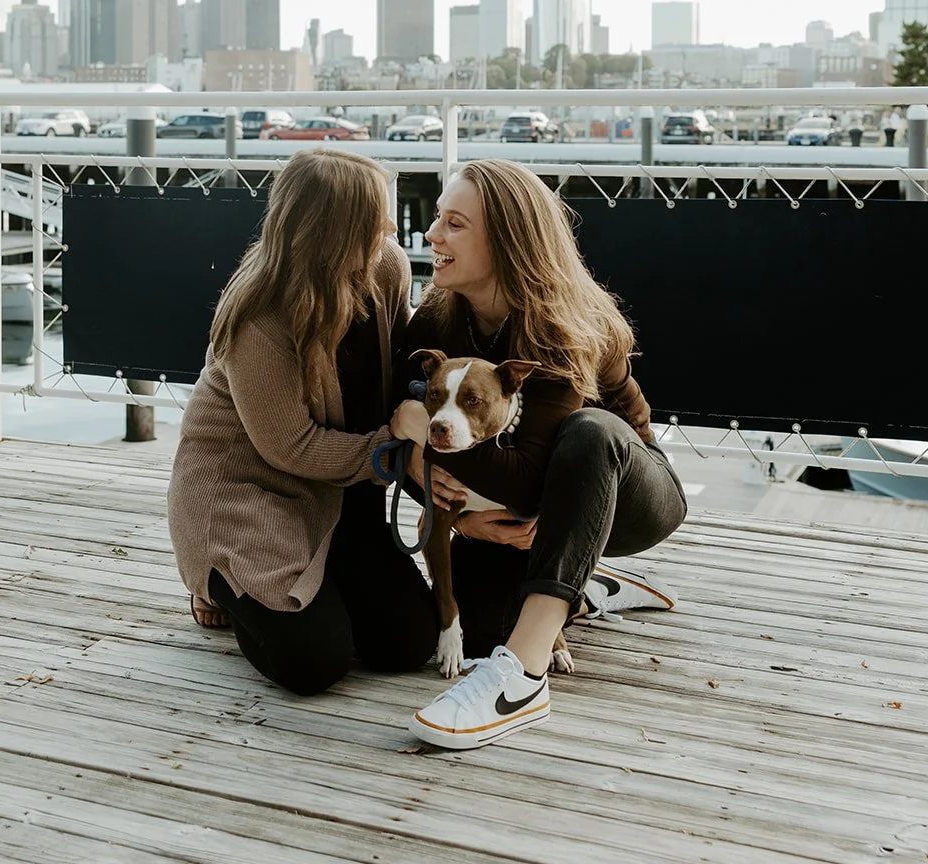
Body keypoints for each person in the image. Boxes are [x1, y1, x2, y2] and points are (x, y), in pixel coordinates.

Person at [396, 159, 687, 749]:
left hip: (626, 492)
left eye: (454, 224)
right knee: (475, 623)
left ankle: (521, 681)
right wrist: (422, 471)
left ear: (503, 242)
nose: (432, 237)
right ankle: (587, 584)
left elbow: (530, 483)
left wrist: (420, 435)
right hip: (517, 519)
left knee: (589, 430)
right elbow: (417, 453)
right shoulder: (436, 319)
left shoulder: (560, 328)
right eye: (436, 220)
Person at [167, 146, 436, 696]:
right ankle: (219, 582)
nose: (390, 224)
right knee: (313, 662)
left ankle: (319, 579)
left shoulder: (384, 265)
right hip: (249, 494)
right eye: (375, 216)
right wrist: (395, 447)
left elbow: (409, 350)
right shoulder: (261, 316)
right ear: (333, 230)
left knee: (408, 643)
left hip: (341, 493)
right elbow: (291, 445)